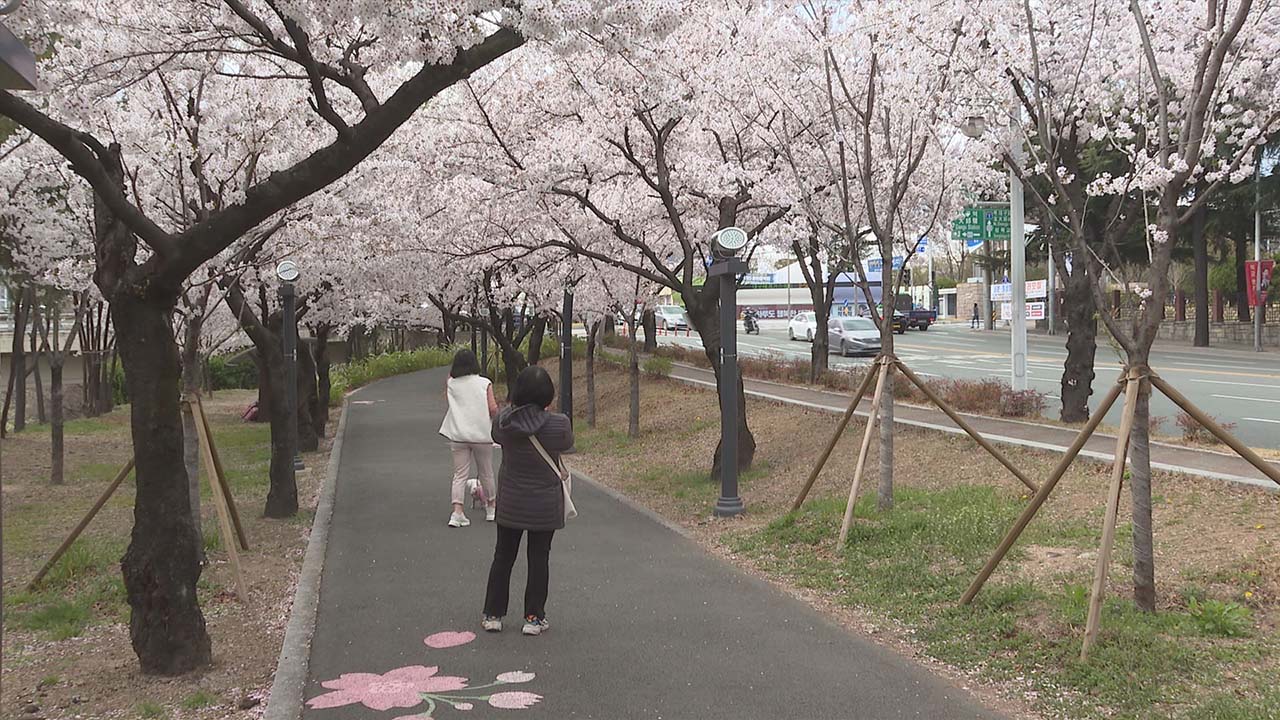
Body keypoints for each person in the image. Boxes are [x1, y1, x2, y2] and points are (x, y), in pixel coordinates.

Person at [482, 365, 573, 637]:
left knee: (503, 556)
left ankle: (493, 614)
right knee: (539, 558)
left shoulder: (504, 423)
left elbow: (496, 433)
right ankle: (533, 617)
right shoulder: (559, 424)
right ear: (548, 395)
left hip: (511, 501)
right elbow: (566, 443)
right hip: (544, 505)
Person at [439, 349, 498, 528]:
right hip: (481, 435)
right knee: (486, 472)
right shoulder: (485, 383)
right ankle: (491, 508)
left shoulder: (452, 384)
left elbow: (449, 380)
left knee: (459, 475)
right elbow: (492, 408)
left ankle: (457, 512)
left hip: (458, 435)